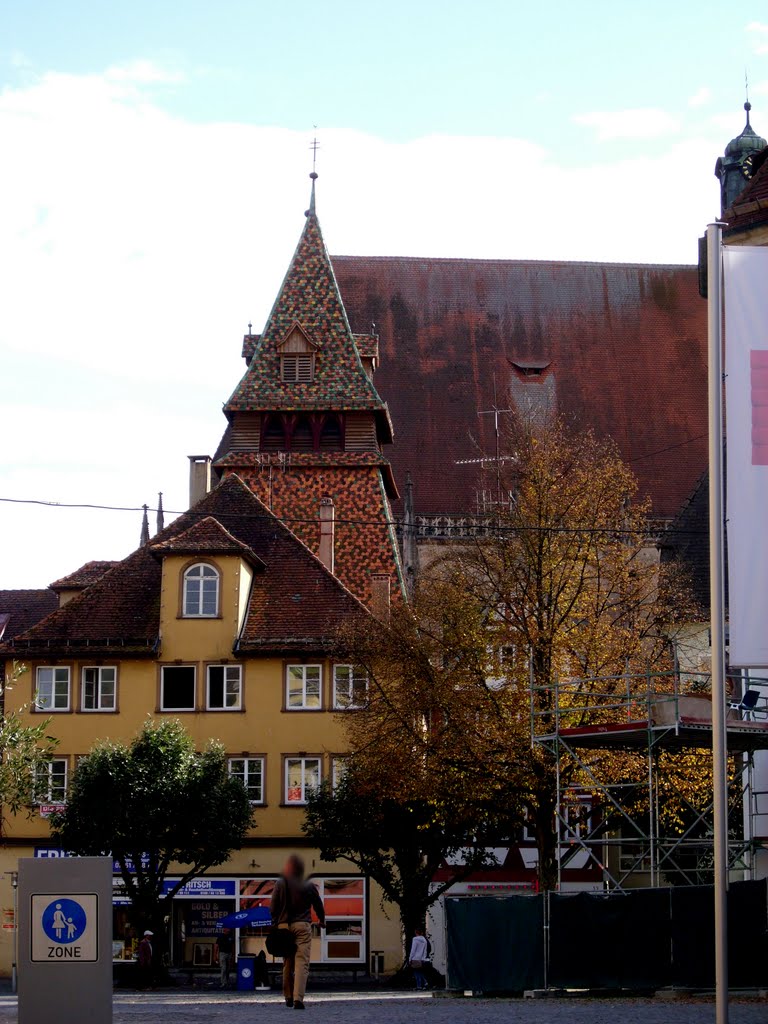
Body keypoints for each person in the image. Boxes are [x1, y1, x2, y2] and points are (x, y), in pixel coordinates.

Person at [270, 854, 326, 1009]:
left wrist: (276, 923)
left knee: (287, 962)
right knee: (302, 963)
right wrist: (322, 920)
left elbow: (273, 907)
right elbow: (318, 905)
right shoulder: (307, 884)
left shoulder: (280, 883)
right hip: (302, 925)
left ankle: (287, 996)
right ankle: (298, 999)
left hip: (283, 926)